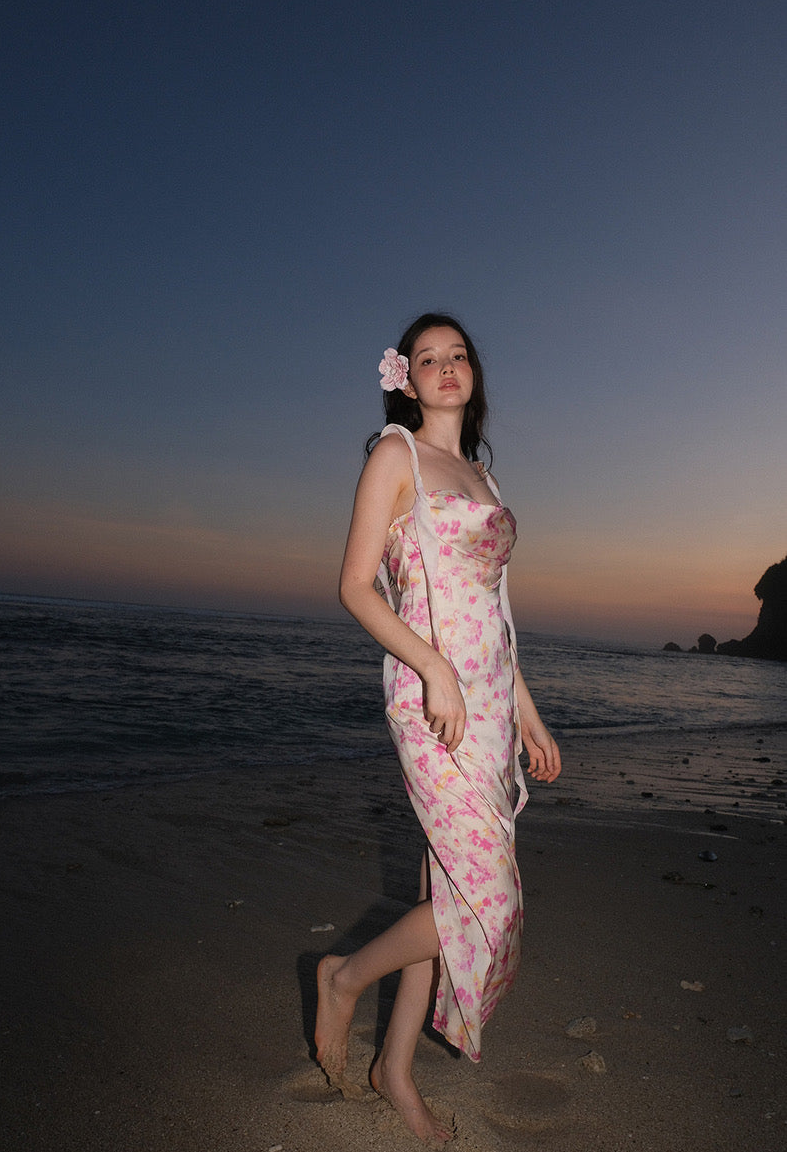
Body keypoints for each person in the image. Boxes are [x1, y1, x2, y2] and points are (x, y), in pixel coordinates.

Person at [315, 313, 561, 1143]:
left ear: (472, 372)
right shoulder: (398, 455)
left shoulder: (484, 477)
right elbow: (355, 586)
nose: (446, 367)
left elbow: (496, 614)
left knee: (447, 892)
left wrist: (528, 713)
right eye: (428, 358)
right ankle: (344, 976)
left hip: (489, 702)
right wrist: (434, 667)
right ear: (408, 380)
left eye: (458, 355)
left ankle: (395, 1070)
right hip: (431, 700)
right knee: (488, 899)